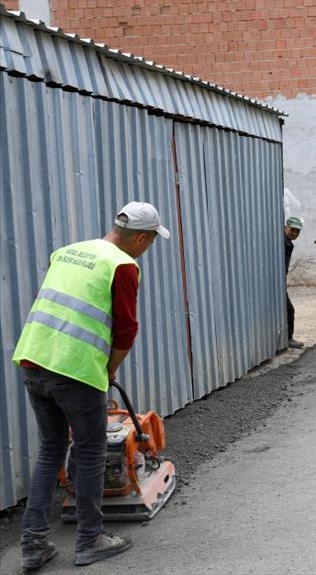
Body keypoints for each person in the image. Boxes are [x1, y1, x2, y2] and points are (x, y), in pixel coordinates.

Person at [12, 202, 170, 569]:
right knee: (88, 451)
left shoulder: (66, 252)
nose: (148, 248)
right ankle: (90, 539)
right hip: (76, 369)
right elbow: (126, 330)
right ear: (141, 238)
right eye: (150, 242)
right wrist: (109, 370)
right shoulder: (122, 265)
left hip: (34, 359)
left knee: (51, 448)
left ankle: (33, 543)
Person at [284, 216, 304, 350]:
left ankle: (287, 338)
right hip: (276, 282)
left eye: (298, 231)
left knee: (288, 310)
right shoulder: (282, 241)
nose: (295, 233)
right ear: (286, 227)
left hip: (280, 282)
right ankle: (288, 339)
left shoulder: (288, 242)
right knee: (289, 310)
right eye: (292, 230)